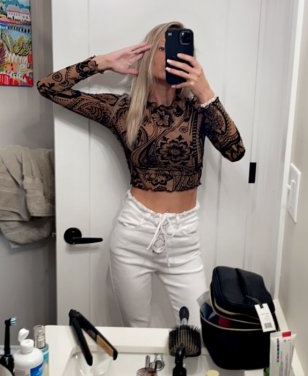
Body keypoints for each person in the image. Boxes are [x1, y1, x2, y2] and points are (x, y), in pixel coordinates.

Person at [37, 21, 245, 328]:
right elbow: (48, 87)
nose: (171, 54)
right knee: (137, 331)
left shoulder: (199, 111)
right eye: (162, 47)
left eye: (179, 49)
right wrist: (103, 62)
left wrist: (205, 91)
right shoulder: (123, 110)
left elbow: (235, 150)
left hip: (184, 241)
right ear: (147, 57)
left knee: (200, 332)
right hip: (134, 235)